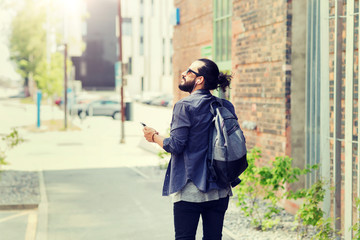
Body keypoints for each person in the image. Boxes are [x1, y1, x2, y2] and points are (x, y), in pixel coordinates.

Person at [143, 58, 237, 240]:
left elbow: (175, 145)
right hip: (220, 187)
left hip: (190, 189)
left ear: (199, 79)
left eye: (188, 71)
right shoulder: (225, 105)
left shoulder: (184, 106)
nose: (183, 74)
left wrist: (153, 137)